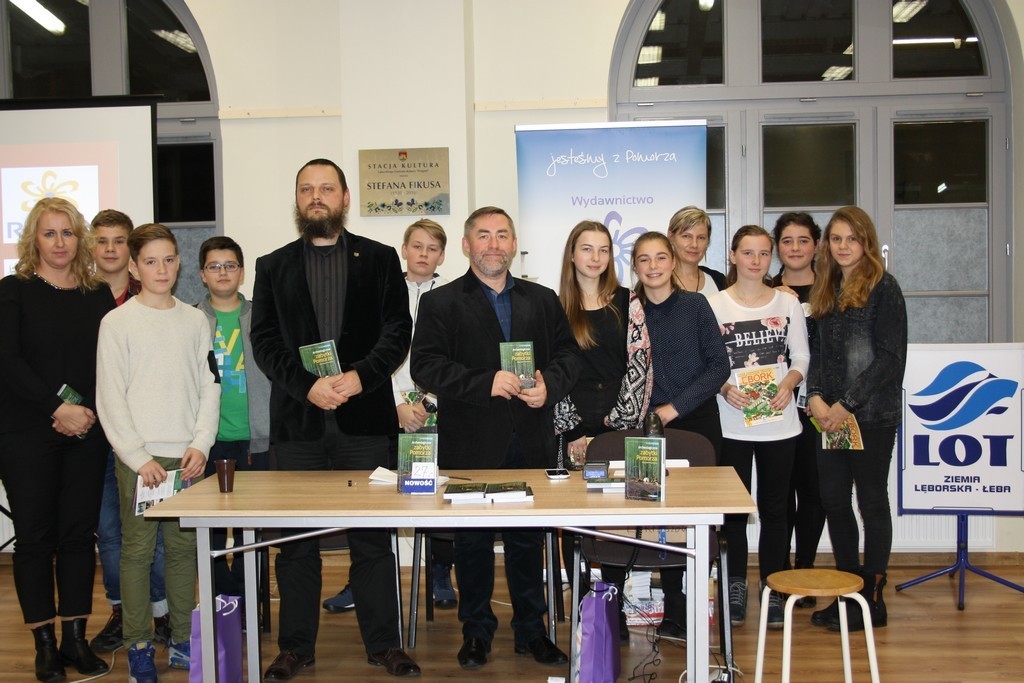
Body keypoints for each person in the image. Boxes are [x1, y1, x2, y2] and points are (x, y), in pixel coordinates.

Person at [250, 159, 419, 679]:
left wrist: (360, 377)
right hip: (297, 425)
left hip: (364, 423)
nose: (316, 197)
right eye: (307, 189)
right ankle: (295, 648)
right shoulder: (272, 265)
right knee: (296, 544)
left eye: (326, 188)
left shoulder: (381, 259)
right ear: (297, 199)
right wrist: (308, 386)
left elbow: (397, 330)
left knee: (372, 541)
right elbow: (265, 342)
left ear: (345, 197)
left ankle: (384, 645)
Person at [411, 206, 580, 670]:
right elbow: (425, 366)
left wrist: (549, 385)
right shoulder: (441, 303)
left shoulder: (542, 299)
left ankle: (532, 631)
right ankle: (476, 631)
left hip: (531, 439)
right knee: (472, 543)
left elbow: (569, 355)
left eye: (502, 235)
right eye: (483, 235)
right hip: (471, 443)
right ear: (467, 245)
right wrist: (484, 382)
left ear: (514, 244)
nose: (493, 244)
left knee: (527, 541)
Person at [96, 223, 220, 682]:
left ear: (179, 263)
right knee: (138, 553)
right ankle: (139, 645)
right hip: (142, 463)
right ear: (134, 267)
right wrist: (136, 457)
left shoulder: (195, 320)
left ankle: (184, 641)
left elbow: (209, 386)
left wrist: (200, 443)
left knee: (184, 551)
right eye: (151, 261)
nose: (162, 269)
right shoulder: (117, 323)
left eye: (169, 259)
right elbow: (110, 396)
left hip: (187, 459)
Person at [0, 198, 113, 682]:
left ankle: (75, 639)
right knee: (34, 539)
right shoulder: (13, 291)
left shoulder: (97, 294)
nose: (60, 242)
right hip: (26, 434)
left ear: (79, 238)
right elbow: (7, 361)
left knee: (77, 538)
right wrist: (56, 408)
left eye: (67, 232)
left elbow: (107, 364)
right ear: (34, 240)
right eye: (49, 233)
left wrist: (82, 415)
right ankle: (44, 644)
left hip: (86, 431)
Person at [322, 218, 457, 614]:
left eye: (432, 248)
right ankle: (361, 581)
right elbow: (371, 354)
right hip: (384, 408)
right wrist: (395, 406)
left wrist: (428, 405)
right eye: (417, 246)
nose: (423, 254)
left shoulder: (452, 298)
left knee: (435, 496)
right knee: (374, 500)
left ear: (442, 256)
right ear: (403, 249)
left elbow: (455, 359)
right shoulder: (379, 293)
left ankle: (440, 572)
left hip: (434, 411)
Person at [806, 206, 907, 632]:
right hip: (829, 419)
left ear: (866, 242)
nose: (843, 246)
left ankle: (873, 597)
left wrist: (846, 403)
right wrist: (814, 396)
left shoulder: (884, 287)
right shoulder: (826, 287)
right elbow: (818, 353)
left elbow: (890, 359)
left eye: (852, 238)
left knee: (871, 501)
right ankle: (849, 592)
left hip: (871, 416)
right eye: (836, 238)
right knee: (833, 500)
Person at [552, 220, 652, 640]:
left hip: (619, 425)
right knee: (573, 519)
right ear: (572, 254)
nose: (595, 258)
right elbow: (549, 373)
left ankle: (612, 605)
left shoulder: (629, 301)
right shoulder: (553, 306)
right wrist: (574, 430)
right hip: (571, 427)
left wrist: (616, 427)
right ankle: (582, 607)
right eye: (587, 249)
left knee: (616, 519)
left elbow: (641, 363)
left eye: (603, 249)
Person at [629, 230, 730, 639]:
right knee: (654, 518)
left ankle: (686, 604)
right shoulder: (629, 312)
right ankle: (659, 603)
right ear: (634, 266)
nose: (653, 266)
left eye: (660, 258)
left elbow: (719, 367)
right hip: (644, 428)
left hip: (696, 423)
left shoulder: (695, 305)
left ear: (672, 262)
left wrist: (674, 408)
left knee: (694, 518)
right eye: (644, 259)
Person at [708, 225, 809, 629]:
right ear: (732, 256)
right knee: (734, 513)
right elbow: (707, 363)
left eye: (764, 253)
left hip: (779, 425)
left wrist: (789, 384)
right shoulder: (713, 305)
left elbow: (801, 357)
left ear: (772, 258)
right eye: (747, 253)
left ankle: (773, 588)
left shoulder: (788, 303)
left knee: (776, 510)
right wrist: (724, 387)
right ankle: (735, 585)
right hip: (731, 425)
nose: (755, 260)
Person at [89, 209, 171, 653]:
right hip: (94, 433)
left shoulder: (156, 297)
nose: (110, 249)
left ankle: (159, 612)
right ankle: (124, 611)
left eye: (119, 240)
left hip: (146, 440)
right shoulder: (80, 297)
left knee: (151, 533)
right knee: (110, 531)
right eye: (102, 241)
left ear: (132, 252)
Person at [196, 235, 271, 596]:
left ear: (242, 272)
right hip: (207, 443)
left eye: (230, 265)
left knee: (252, 529)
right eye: (214, 266)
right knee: (207, 528)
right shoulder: (191, 318)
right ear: (202, 274)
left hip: (256, 439)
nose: (222, 272)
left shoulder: (264, 316)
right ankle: (221, 600)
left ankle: (248, 603)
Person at [771, 212, 826, 607]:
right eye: (787, 241)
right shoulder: (766, 290)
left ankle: (805, 568)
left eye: (803, 240)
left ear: (816, 246)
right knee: (779, 493)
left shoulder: (833, 290)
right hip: (777, 405)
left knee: (814, 491)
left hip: (820, 407)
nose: (795, 248)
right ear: (778, 247)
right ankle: (782, 571)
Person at [666, 206, 727, 296]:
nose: (694, 245)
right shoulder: (657, 281)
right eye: (687, 236)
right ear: (671, 236)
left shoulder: (720, 281)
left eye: (701, 238)